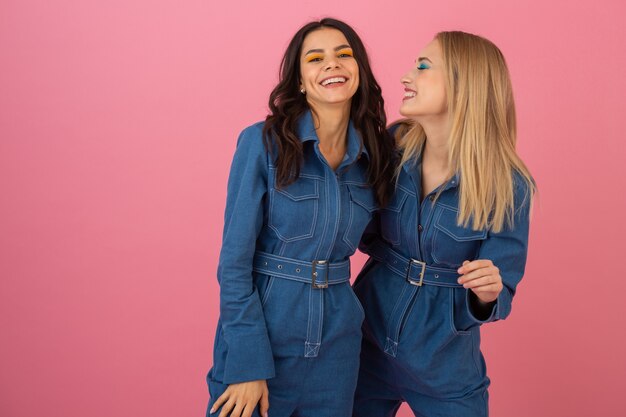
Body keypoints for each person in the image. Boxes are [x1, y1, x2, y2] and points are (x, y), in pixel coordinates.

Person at [206, 18, 395, 417]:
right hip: (265, 344)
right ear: (300, 82)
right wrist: (246, 363)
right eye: (316, 58)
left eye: (344, 54)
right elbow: (234, 264)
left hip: (338, 351)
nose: (332, 64)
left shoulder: (373, 157)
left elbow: (387, 242)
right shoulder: (262, 144)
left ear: (359, 70)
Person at [352, 31, 536, 417]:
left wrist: (486, 291)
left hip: (445, 368)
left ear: (463, 82)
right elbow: (359, 227)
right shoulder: (394, 144)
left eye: (422, 66)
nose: (406, 76)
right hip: (364, 344)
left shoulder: (508, 184)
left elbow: (501, 292)